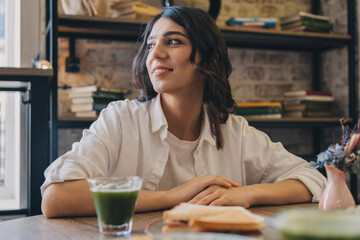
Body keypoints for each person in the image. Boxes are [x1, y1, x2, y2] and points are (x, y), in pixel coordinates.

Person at [41, 6, 326, 218]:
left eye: (173, 41)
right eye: (151, 44)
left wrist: (246, 194)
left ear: (206, 55)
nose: (155, 54)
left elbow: (313, 180)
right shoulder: (120, 120)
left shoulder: (235, 132)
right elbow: (56, 197)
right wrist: (172, 196)